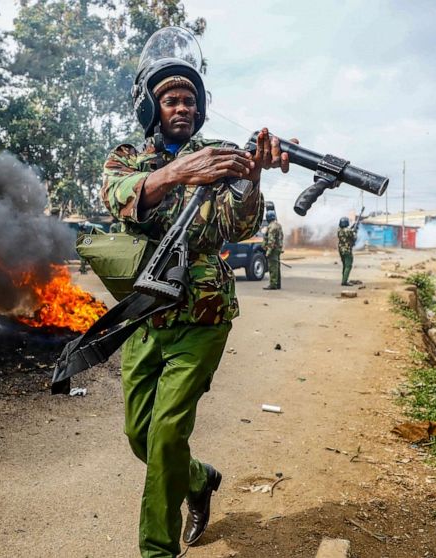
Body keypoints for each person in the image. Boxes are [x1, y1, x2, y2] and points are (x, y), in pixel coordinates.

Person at [100, 27, 295, 558]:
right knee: (140, 437)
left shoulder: (220, 156)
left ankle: (156, 551)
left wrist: (252, 178)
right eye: (170, 99)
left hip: (203, 316)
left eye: (189, 99)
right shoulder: (127, 158)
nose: (181, 107)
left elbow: (235, 225)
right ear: (151, 107)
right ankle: (199, 479)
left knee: (165, 433)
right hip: (144, 314)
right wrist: (176, 172)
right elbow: (118, 197)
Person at [262, 210, 283, 290]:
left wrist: (268, 252)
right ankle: (278, 284)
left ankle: (273, 284)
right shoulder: (278, 225)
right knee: (277, 267)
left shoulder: (272, 227)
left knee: (272, 267)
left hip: (273, 250)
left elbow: (271, 241)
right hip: (277, 249)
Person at [338, 216, 357, 286]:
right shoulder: (348, 230)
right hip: (347, 250)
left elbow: (347, 234)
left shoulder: (339, 230)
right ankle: (344, 281)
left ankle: (344, 279)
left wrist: (352, 229)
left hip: (341, 249)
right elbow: (354, 237)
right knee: (348, 266)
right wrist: (355, 231)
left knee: (344, 265)